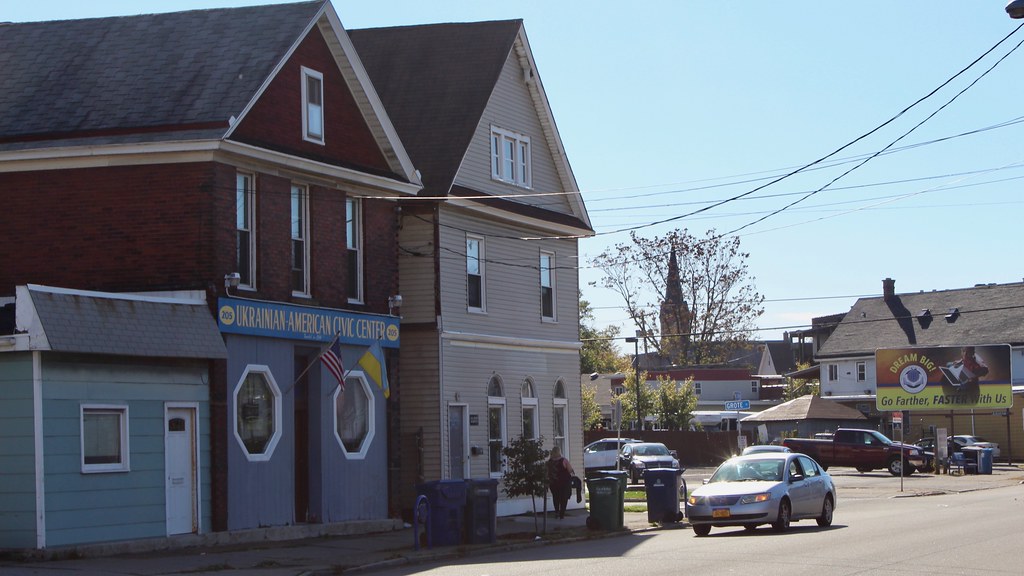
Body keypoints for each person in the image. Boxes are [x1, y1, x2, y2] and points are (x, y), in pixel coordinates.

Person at [546, 446, 574, 519]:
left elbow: (547, 472)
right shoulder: (564, 460)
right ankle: (562, 514)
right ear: (559, 452)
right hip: (564, 483)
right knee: (564, 499)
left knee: (556, 498)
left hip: (553, 483)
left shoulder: (549, 462)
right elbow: (570, 470)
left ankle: (556, 512)